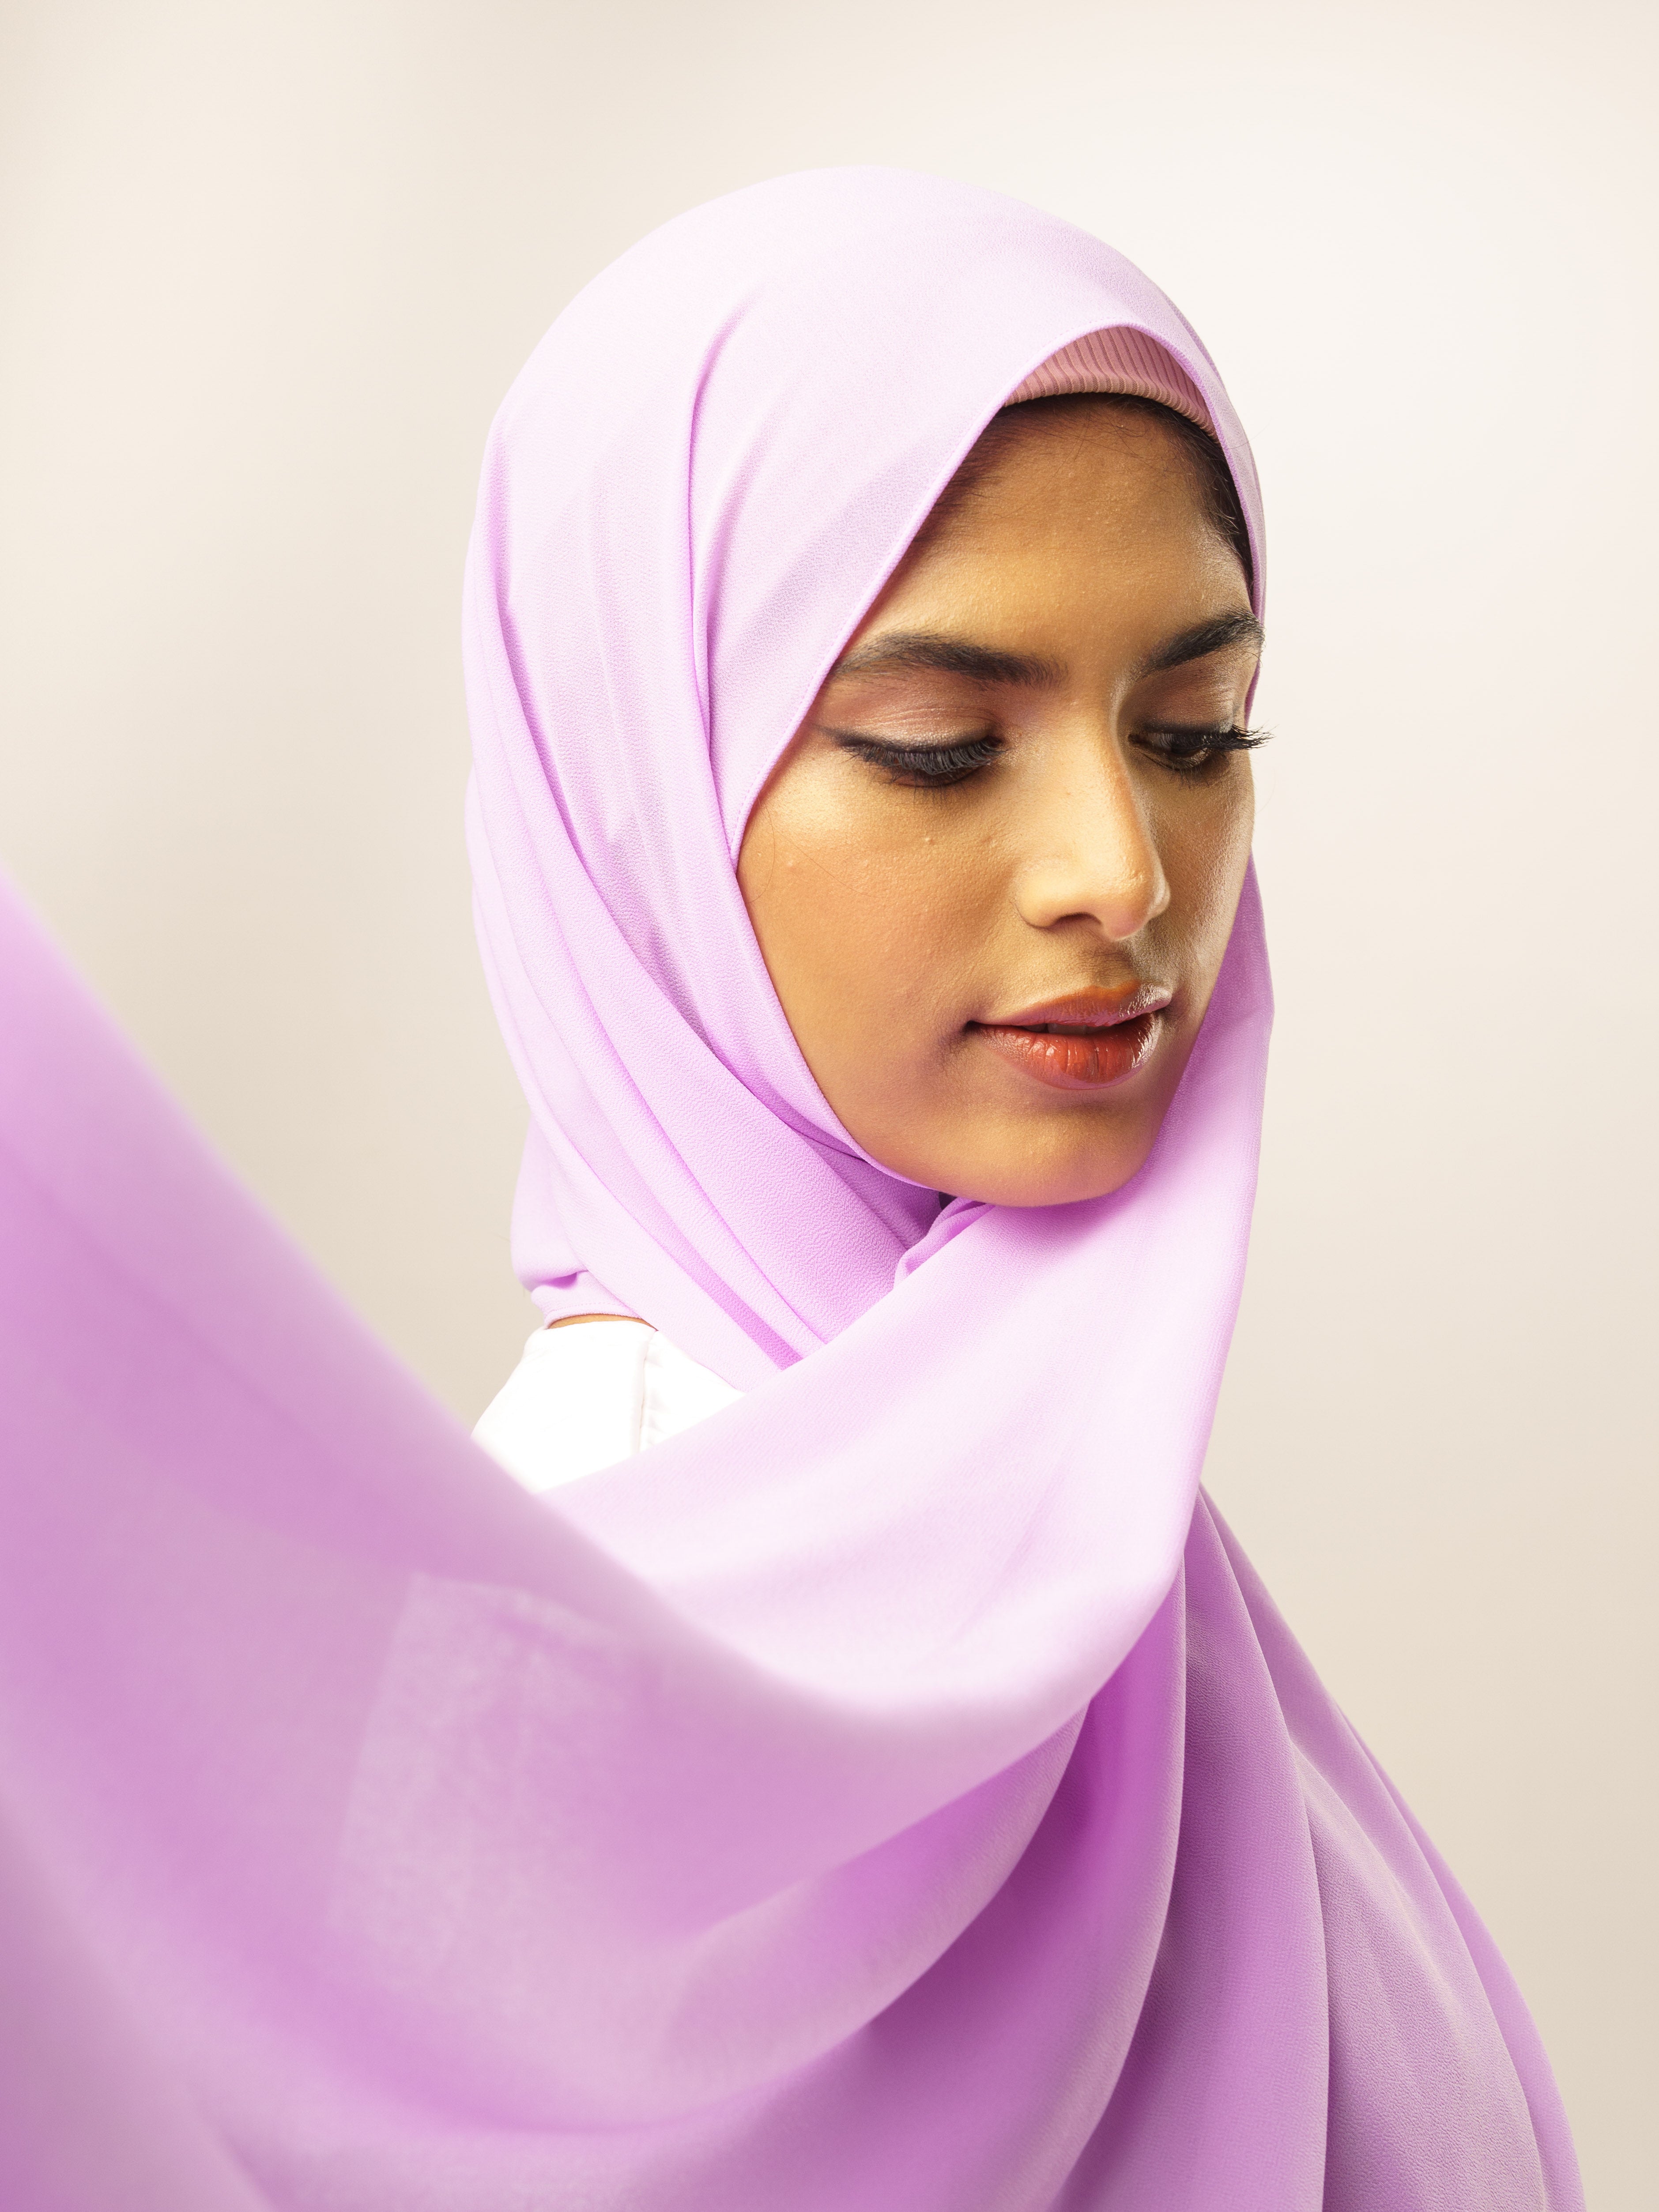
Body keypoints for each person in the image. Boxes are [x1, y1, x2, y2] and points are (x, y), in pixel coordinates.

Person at [0, 170, 1580, 2208]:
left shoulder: (1098, 1581)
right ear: (635, 793)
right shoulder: (562, 1722)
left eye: (1194, 728)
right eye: (937, 744)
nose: (1120, 867)